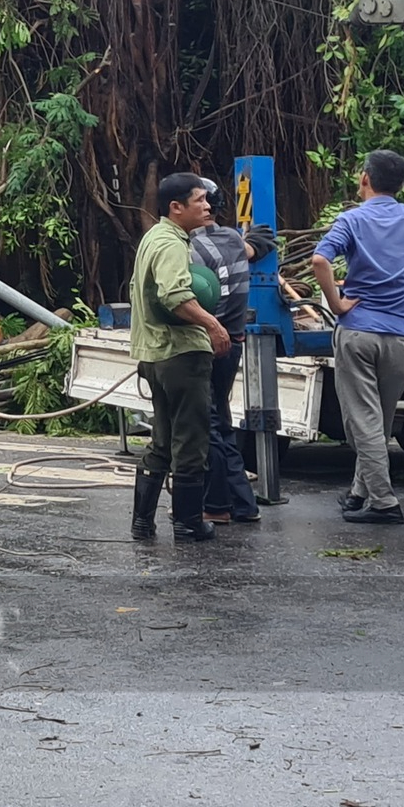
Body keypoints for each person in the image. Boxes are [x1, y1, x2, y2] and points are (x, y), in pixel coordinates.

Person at [129, 173, 234, 542]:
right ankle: (188, 522)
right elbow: (174, 294)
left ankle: (143, 521)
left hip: (154, 353)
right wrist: (213, 325)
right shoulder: (171, 243)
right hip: (181, 354)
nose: (208, 206)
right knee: (191, 441)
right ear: (176, 207)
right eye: (199, 201)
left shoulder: (152, 238)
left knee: (162, 439)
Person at [310, 149, 404, 525]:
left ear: (365, 179)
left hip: (359, 332)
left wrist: (337, 303)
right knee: (380, 421)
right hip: (402, 337)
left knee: (362, 423)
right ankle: (358, 493)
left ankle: (384, 503)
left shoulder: (353, 219)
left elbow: (320, 260)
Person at [191, 179, 278, 526]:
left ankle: (220, 504)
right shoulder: (231, 239)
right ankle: (242, 503)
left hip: (209, 343)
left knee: (208, 425)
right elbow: (254, 248)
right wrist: (259, 238)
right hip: (235, 343)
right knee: (221, 422)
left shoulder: (191, 248)